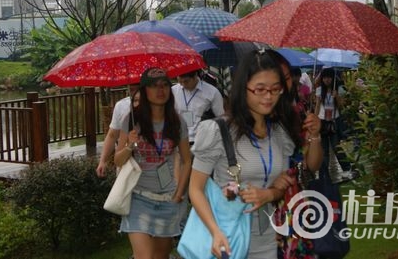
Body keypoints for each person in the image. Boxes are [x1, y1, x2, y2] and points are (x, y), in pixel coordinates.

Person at [188, 49, 323, 259]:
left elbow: (282, 183)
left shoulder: (279, 132)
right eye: (260, 89)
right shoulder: (218, 131)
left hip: (267, 239)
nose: (268, 96)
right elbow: (195, 189)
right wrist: (215, 232)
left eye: (275, 89)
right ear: (243, 88)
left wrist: (269, 194)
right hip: (226, 238)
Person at [114, 67, 192, 259]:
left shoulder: (177, 122)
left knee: (160, 256)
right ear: (144, 90)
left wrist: (179, 193)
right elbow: (117, 160)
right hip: (138, 198)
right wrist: (130, 145)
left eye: (165, 85)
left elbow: (186, 160)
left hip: (167, 198)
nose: (160, 90)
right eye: (154, 86)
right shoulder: (131, 120)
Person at [96, 84, 140, 177]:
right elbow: (112, 135)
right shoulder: (121, 106)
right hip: (127, 165)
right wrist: (103, 160)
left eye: (139, 88)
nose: (136, 93)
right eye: (132, 89)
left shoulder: (159, 108)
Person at [172, 70, 225, 145]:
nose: (183, 85)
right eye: (180, 81)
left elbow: (220, 117)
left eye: (186, 81)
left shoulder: (212, 92)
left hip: (202, 140)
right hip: (179, 139)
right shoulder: (173, 91)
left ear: (195, 76)